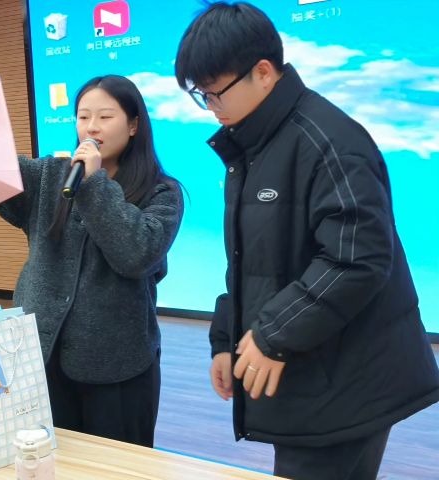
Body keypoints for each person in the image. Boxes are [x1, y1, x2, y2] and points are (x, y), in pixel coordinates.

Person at [174, 2, 439, 479]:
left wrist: (272, 335)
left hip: (349, 382)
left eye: (214, 93)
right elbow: (251, 261)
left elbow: (356, 259)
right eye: (201, 95)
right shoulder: (254, 145)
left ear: (263, 72)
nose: (210, 106)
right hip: (315, 371)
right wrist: (225, 340)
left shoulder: (329, 140)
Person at [0, 73, 184, 447]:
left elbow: (136, 255)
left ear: (134, 125)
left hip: (117, 368)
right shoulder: (50, 175)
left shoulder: (162, 193)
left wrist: (94, 182)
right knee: (50, 458)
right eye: (83, 116)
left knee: (115, 466)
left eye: (105, 117)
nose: (92, 127)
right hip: (40, 359)